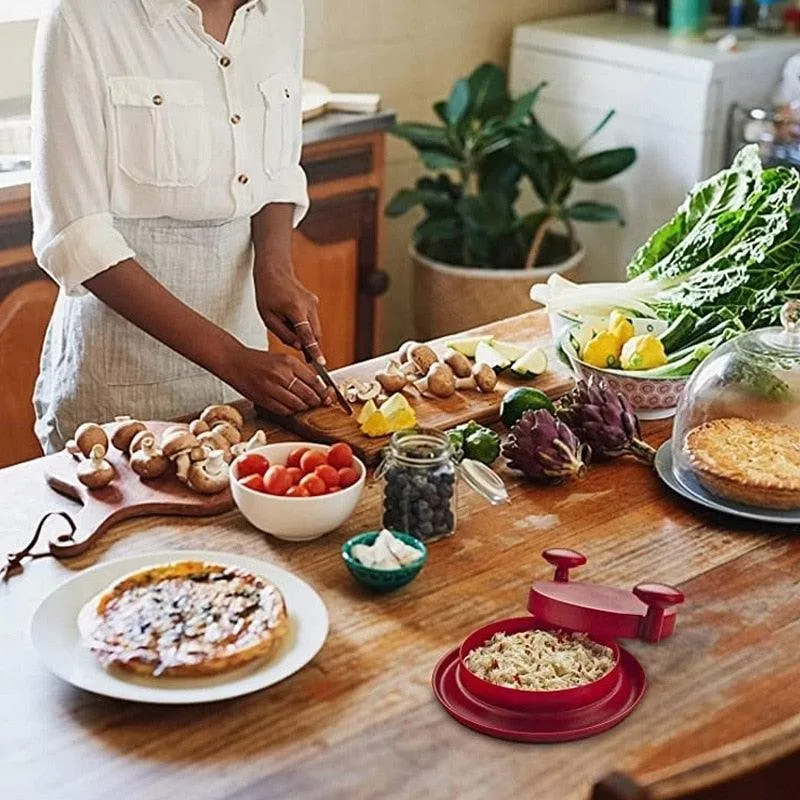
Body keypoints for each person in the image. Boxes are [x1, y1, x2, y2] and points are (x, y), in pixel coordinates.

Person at [31, 0, 331, 454]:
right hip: (121, 391)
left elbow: (277, 170)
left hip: (247, 375)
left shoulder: (282, 10)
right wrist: (231, 358)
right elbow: (78, 236)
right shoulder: (82, 17)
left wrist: (275, 269)